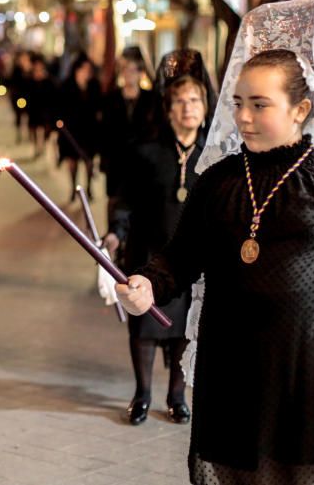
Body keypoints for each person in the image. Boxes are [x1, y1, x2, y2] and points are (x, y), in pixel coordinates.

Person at [116, 0, 314, 484]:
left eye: (259, 105)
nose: (243, 117)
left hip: (309, 372)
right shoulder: (217, 182)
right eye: (237, 103)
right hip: (231, 373)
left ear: (301, 109)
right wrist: (148, 284)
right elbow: (180, 256)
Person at [103, 49, 216, 426]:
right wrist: (116, 234)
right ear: (168, 109)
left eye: (195, 100)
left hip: (195, 258)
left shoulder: (214, 157)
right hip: (149, 251)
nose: (188, 108)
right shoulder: (146, 151)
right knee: (145, 327)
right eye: (180, 101)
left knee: (186, 327)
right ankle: (143, 395)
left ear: (205, 107)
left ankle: (176, 396)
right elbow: (124, 200)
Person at [100, 47, 159, 218]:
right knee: (115, 205)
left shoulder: (151, 99)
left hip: (142, 164)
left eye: (133, 70)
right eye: (125, 70)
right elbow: (105, 132)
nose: (128, 74)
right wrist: (104, 161)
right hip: (117, 163)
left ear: (141, 72)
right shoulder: (112, 98)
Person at [56, 54, 102, 201]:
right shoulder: (67, 85)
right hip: (72, 129)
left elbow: (98, 105)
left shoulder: (94, 85)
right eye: (85, 69)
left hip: (89, 129)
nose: (88, 72)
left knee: (89, 160)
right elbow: (60, 105)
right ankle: (73, 188)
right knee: (72, 161)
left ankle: (88, 188)